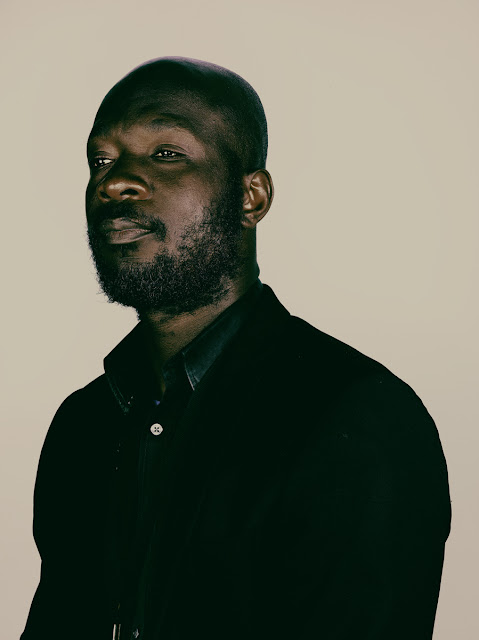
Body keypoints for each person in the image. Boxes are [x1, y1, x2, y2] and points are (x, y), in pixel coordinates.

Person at [21, 57, 451, 640]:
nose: (114, 181)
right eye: (101, 160)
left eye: (166, 153)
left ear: (252, 197)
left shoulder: (357, 415)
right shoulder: (82, 427)